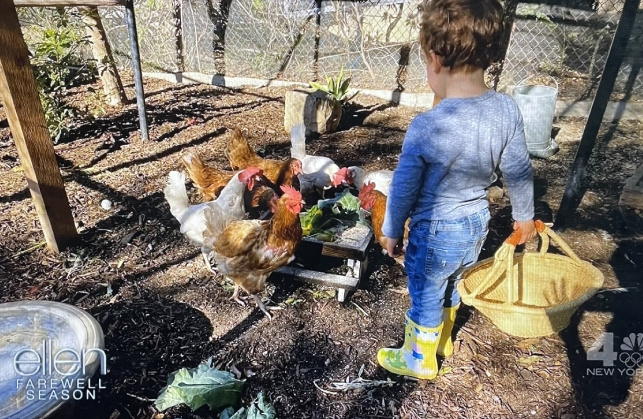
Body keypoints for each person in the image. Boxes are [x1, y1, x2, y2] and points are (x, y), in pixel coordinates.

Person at [378, 0, 536, 380]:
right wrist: (525, 216)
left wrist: (391, 229)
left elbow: (403, 186)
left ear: (435, 59)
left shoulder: (428, 126)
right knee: (453, 284)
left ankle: (419, 358)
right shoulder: (506, 110)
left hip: (436, 230)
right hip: (476, 223)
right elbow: (518, 168)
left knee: (425, 292)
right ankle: (442, 340)